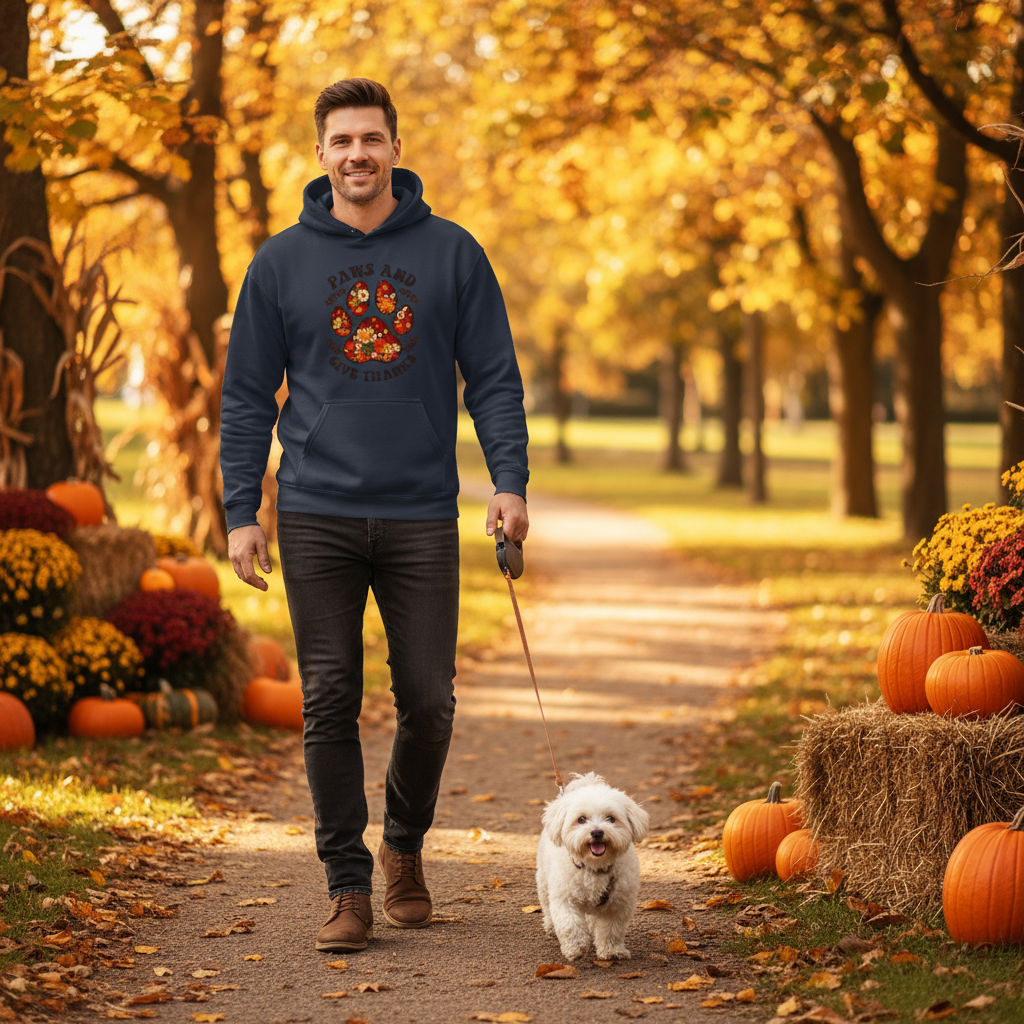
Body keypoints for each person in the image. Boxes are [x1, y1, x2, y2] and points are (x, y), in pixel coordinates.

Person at [219, 78, 529, 952]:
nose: (357, 153)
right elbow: (245, 398)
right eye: (341, 140)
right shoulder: (279, 262)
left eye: (372, 138)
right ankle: (347, 886)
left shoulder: (453, 254)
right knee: (327, 700)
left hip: (422, 512)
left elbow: (495, 379)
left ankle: (402, 846)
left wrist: (509, 482)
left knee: (429, 701)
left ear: (396, 148)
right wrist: (243, 509)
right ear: (320, 155)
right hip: (315, 508)